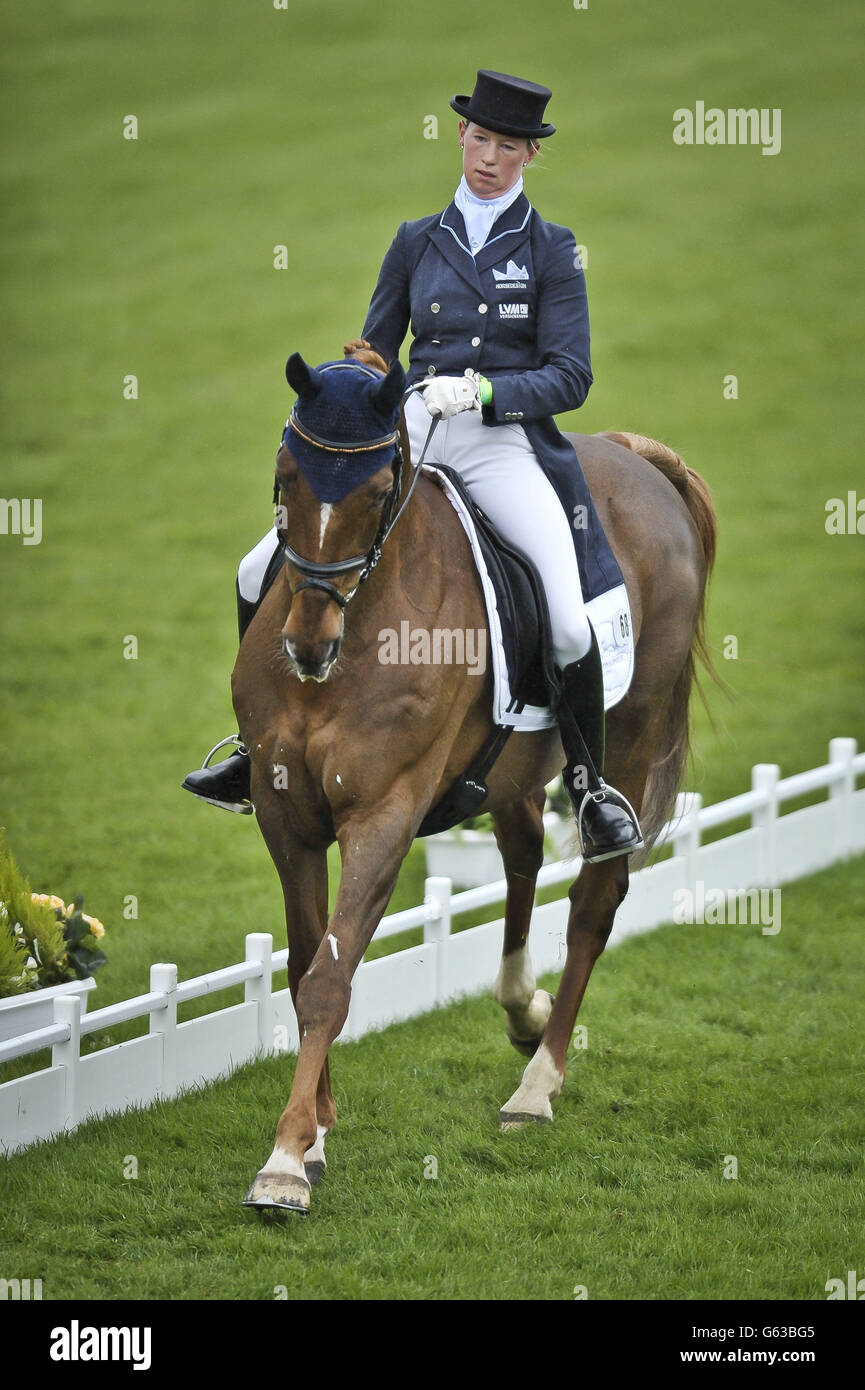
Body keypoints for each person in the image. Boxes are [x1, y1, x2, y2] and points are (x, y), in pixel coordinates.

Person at [183, 69, 642, 863]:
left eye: (508, 146)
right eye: (480, 139)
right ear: (460, 136)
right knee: (256, 567)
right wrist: (351, 381)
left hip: (500, 444)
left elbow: (571, 375)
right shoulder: (414, 241)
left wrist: (486, 390)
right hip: (409, 439)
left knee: (567, 620)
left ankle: (591, 790)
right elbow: (373, 351)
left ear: (530, 155)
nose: (489, 158)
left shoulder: (551, 251)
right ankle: (253, 748)